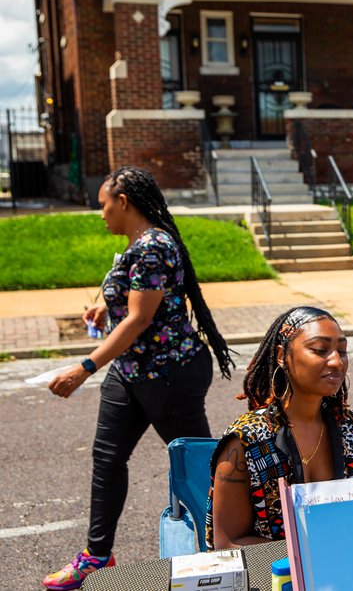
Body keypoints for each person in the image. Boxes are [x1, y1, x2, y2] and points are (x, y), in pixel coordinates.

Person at [44, 166, 234, 590]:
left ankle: (226, 553)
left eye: (104, 204)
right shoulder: (137, 244)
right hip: (132, 372)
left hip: (170, 373)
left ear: (124, 201)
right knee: (107, 458)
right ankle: (97, 556)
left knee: (197, 465)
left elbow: (140, 318)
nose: (101, 214)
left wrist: (84, 368)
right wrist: (103, 312)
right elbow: (131, 308)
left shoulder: (154, 246)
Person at [206, 306, 353, 550]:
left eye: (341, 351)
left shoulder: (352, 428)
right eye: (320, 350)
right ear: (282, 355)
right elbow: (229, 542)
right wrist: (309, 556)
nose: (336, 361)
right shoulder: (247, 440)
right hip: (269, 575)